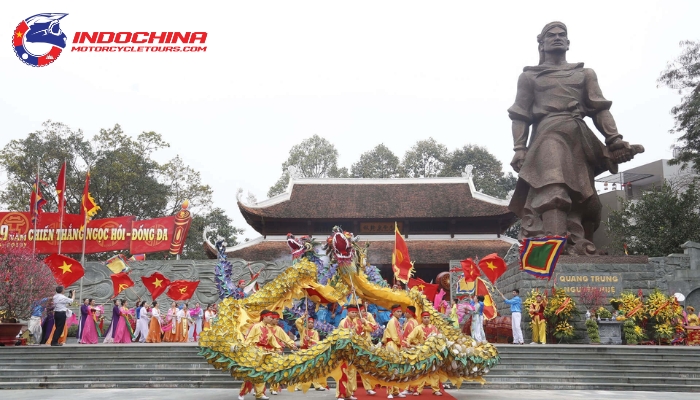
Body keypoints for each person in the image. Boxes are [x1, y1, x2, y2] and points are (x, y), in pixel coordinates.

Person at [507, 21, 642, 255]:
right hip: (548, 134)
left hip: (579, 137)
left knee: (584, 199)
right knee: (553, 187)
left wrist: (614, 139)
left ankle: (578, 244)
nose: (558, 37)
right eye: (552, 35)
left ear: (568, 42)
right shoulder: (530, 77)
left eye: (562, 35)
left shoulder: (584, 74)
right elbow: (520, 114)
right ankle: (553, 247)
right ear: (541, 43)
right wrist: (519, 148)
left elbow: (599, 109)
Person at [238, 310, 297, 400]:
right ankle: (242, 393)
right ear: (264, 317)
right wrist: (246, 350)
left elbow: (272, 340)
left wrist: (289, 346)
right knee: (251, 374)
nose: (271, 319)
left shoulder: (269, 329)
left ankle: (260, 394)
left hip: (266, 353)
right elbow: (248, 339)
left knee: (263, 374)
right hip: (256, 353)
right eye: (270, 317)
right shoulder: (256, 326)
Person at [405, 312, 442, 396]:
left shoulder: (434, 328)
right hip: (421, 353)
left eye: (428, 317)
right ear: (422, 319)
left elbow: (439, 338)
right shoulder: (418, 328)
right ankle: (418, 390)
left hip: (432, 353)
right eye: (424, 317)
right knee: (420, 372)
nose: (426, 319)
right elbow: (410, 337)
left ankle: (436, 389)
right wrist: (408, 343)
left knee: (434, 371)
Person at [337, 304, 363, 400]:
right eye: (353, 312)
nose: (354, 314)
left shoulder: (354, 323)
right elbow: (341, 337)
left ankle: (349, 393)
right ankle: (341, 394)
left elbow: (358, 335)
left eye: (356, 312)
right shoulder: (344, 322)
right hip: (344, 350)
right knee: (343, 372)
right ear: (348, 312)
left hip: (352, 351)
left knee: (352, 373)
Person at [294, 315, 326, 391]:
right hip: (302, 351)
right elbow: (297, 323)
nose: (311, 324)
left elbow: (317, 343)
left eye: (312, 323)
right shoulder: (302, 330)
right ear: (306, 323)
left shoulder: (315, 332)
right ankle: (299, 386)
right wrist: (303, 316)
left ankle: (317, 385)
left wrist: (310, 340)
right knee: (301, 369)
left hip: (312, 352)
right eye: (309, 322)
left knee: (313, 369)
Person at [382, 305, 406, 399]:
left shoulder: (396, 321)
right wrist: (402, 344)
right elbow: (395, 336)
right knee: (391, 369)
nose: (400, 313)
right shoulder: (392, 321)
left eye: (401, 312)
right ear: (393, 312)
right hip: (392, 344)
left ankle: (396, 391)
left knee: (397, 369)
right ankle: (389, 392)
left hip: (396, 345)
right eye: (398, 312)